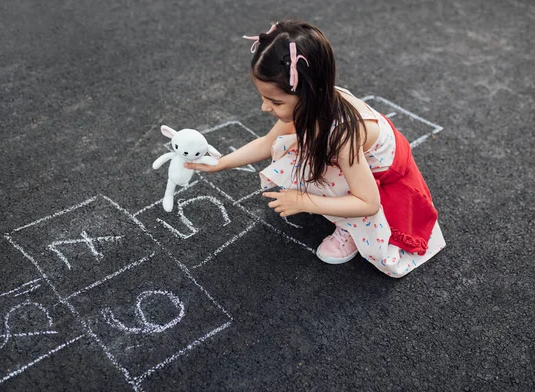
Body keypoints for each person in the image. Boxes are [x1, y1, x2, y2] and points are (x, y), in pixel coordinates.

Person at [185, 20, 445, 278]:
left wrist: (304, 200)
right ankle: (332, 202)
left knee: (326, 175)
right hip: (355, 162)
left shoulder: (343, 134)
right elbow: (267, 143)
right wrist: (221, 163)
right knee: (296, 150)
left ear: (310, 92)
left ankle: (352, 231)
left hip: (386, 181)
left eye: (274, 101)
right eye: (263, 97)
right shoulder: (311, 104)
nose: (265, 107)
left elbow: (368, 202)